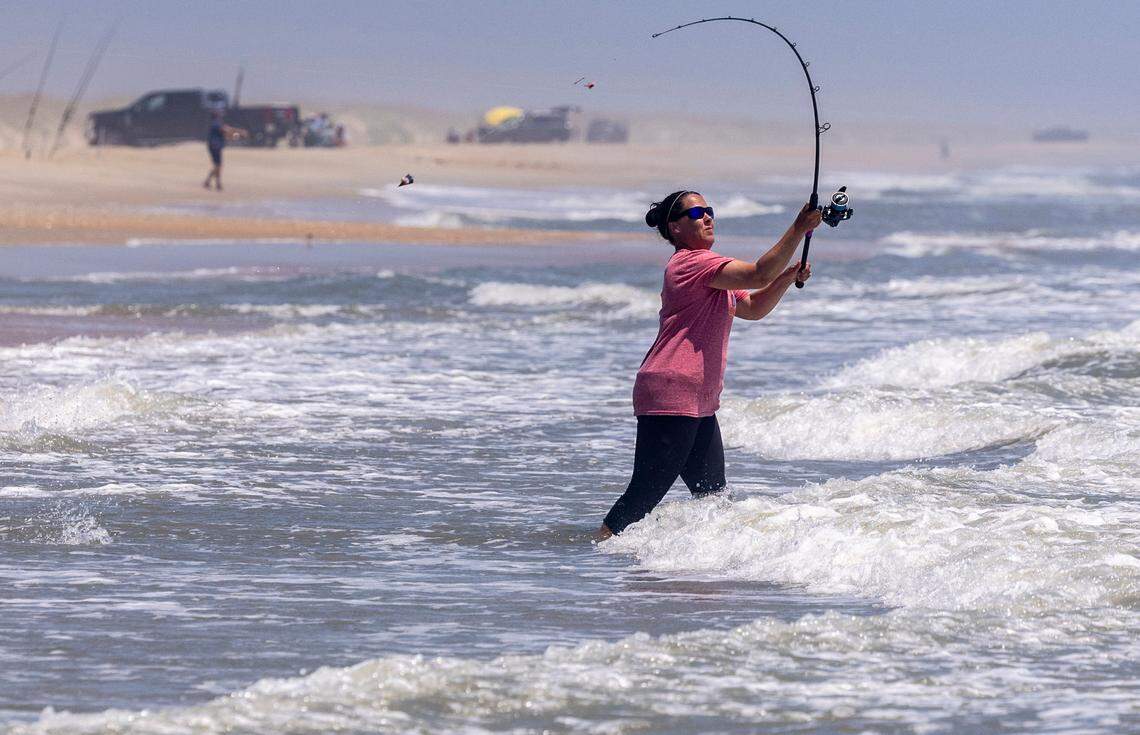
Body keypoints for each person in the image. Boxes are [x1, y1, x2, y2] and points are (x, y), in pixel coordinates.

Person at [597, 191, 821, 539]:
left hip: (698, 399)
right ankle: (593, 558)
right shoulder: (690, 263)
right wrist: (797, 228)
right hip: (671, 393)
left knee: (712, 497)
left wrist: (786, 279)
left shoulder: (713, 273)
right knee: (643, 495)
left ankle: (701, 576)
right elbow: (758, 273)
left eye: (709, 211)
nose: (707, 217)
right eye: (697, 212)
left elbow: (754, 308)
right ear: (675, 227)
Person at [202, 110, 246, 191]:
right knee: (218, 165)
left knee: (217, 165)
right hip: (215, 146)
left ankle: (210, 182)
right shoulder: (216, 123)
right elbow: (227, 130)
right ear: (217, 116)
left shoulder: (216, 123)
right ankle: (216, 183)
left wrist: (237, 134)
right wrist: (239, 133)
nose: (221, 115)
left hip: (214, 146)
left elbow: (227, 131)